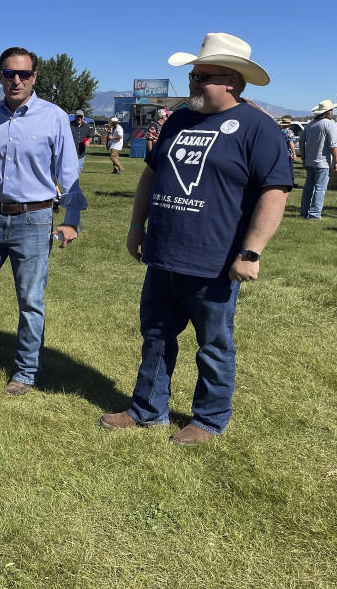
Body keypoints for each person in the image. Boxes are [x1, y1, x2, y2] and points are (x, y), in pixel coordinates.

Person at [99, 31, 291, 445]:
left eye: (204, 76)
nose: (194, 83)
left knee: (214, 345)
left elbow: (275, 193)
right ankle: (148, 410)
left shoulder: (259, 130)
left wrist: (251, 252)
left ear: (233, 82)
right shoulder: (179, 119)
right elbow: (151, 175)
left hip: (215, 261)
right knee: (155, 335)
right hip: (163, 253)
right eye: (193, 75)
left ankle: (209, 419)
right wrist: (136, 227)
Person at [0, 46, 85, 396]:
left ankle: (26, 370)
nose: (16, 80)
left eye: (23, 74)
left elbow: (69, 173)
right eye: (9, 73)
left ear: (34, 77)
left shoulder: (54, 116)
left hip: (34, 218)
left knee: (30, 299)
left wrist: (72, 219)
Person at [299, 99, 337, 219]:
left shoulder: (311, 124)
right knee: (320, 188)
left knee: (308, 188)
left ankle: (304, 211)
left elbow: (301, 142)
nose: (332, 111)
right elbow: (333, 145)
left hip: (310, 161)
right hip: (322, 162)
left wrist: (303, 158)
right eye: (332, 109)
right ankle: (315, 213)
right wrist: (336, 161)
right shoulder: (330, 124)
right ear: (328, 112)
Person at [277, 115, 297, 186]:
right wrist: (294, 153)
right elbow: (291, 142)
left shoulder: (279, 131)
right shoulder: (289, 132)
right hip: (287, 153)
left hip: (279, 153)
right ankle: (290, 182)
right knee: (289, 168)